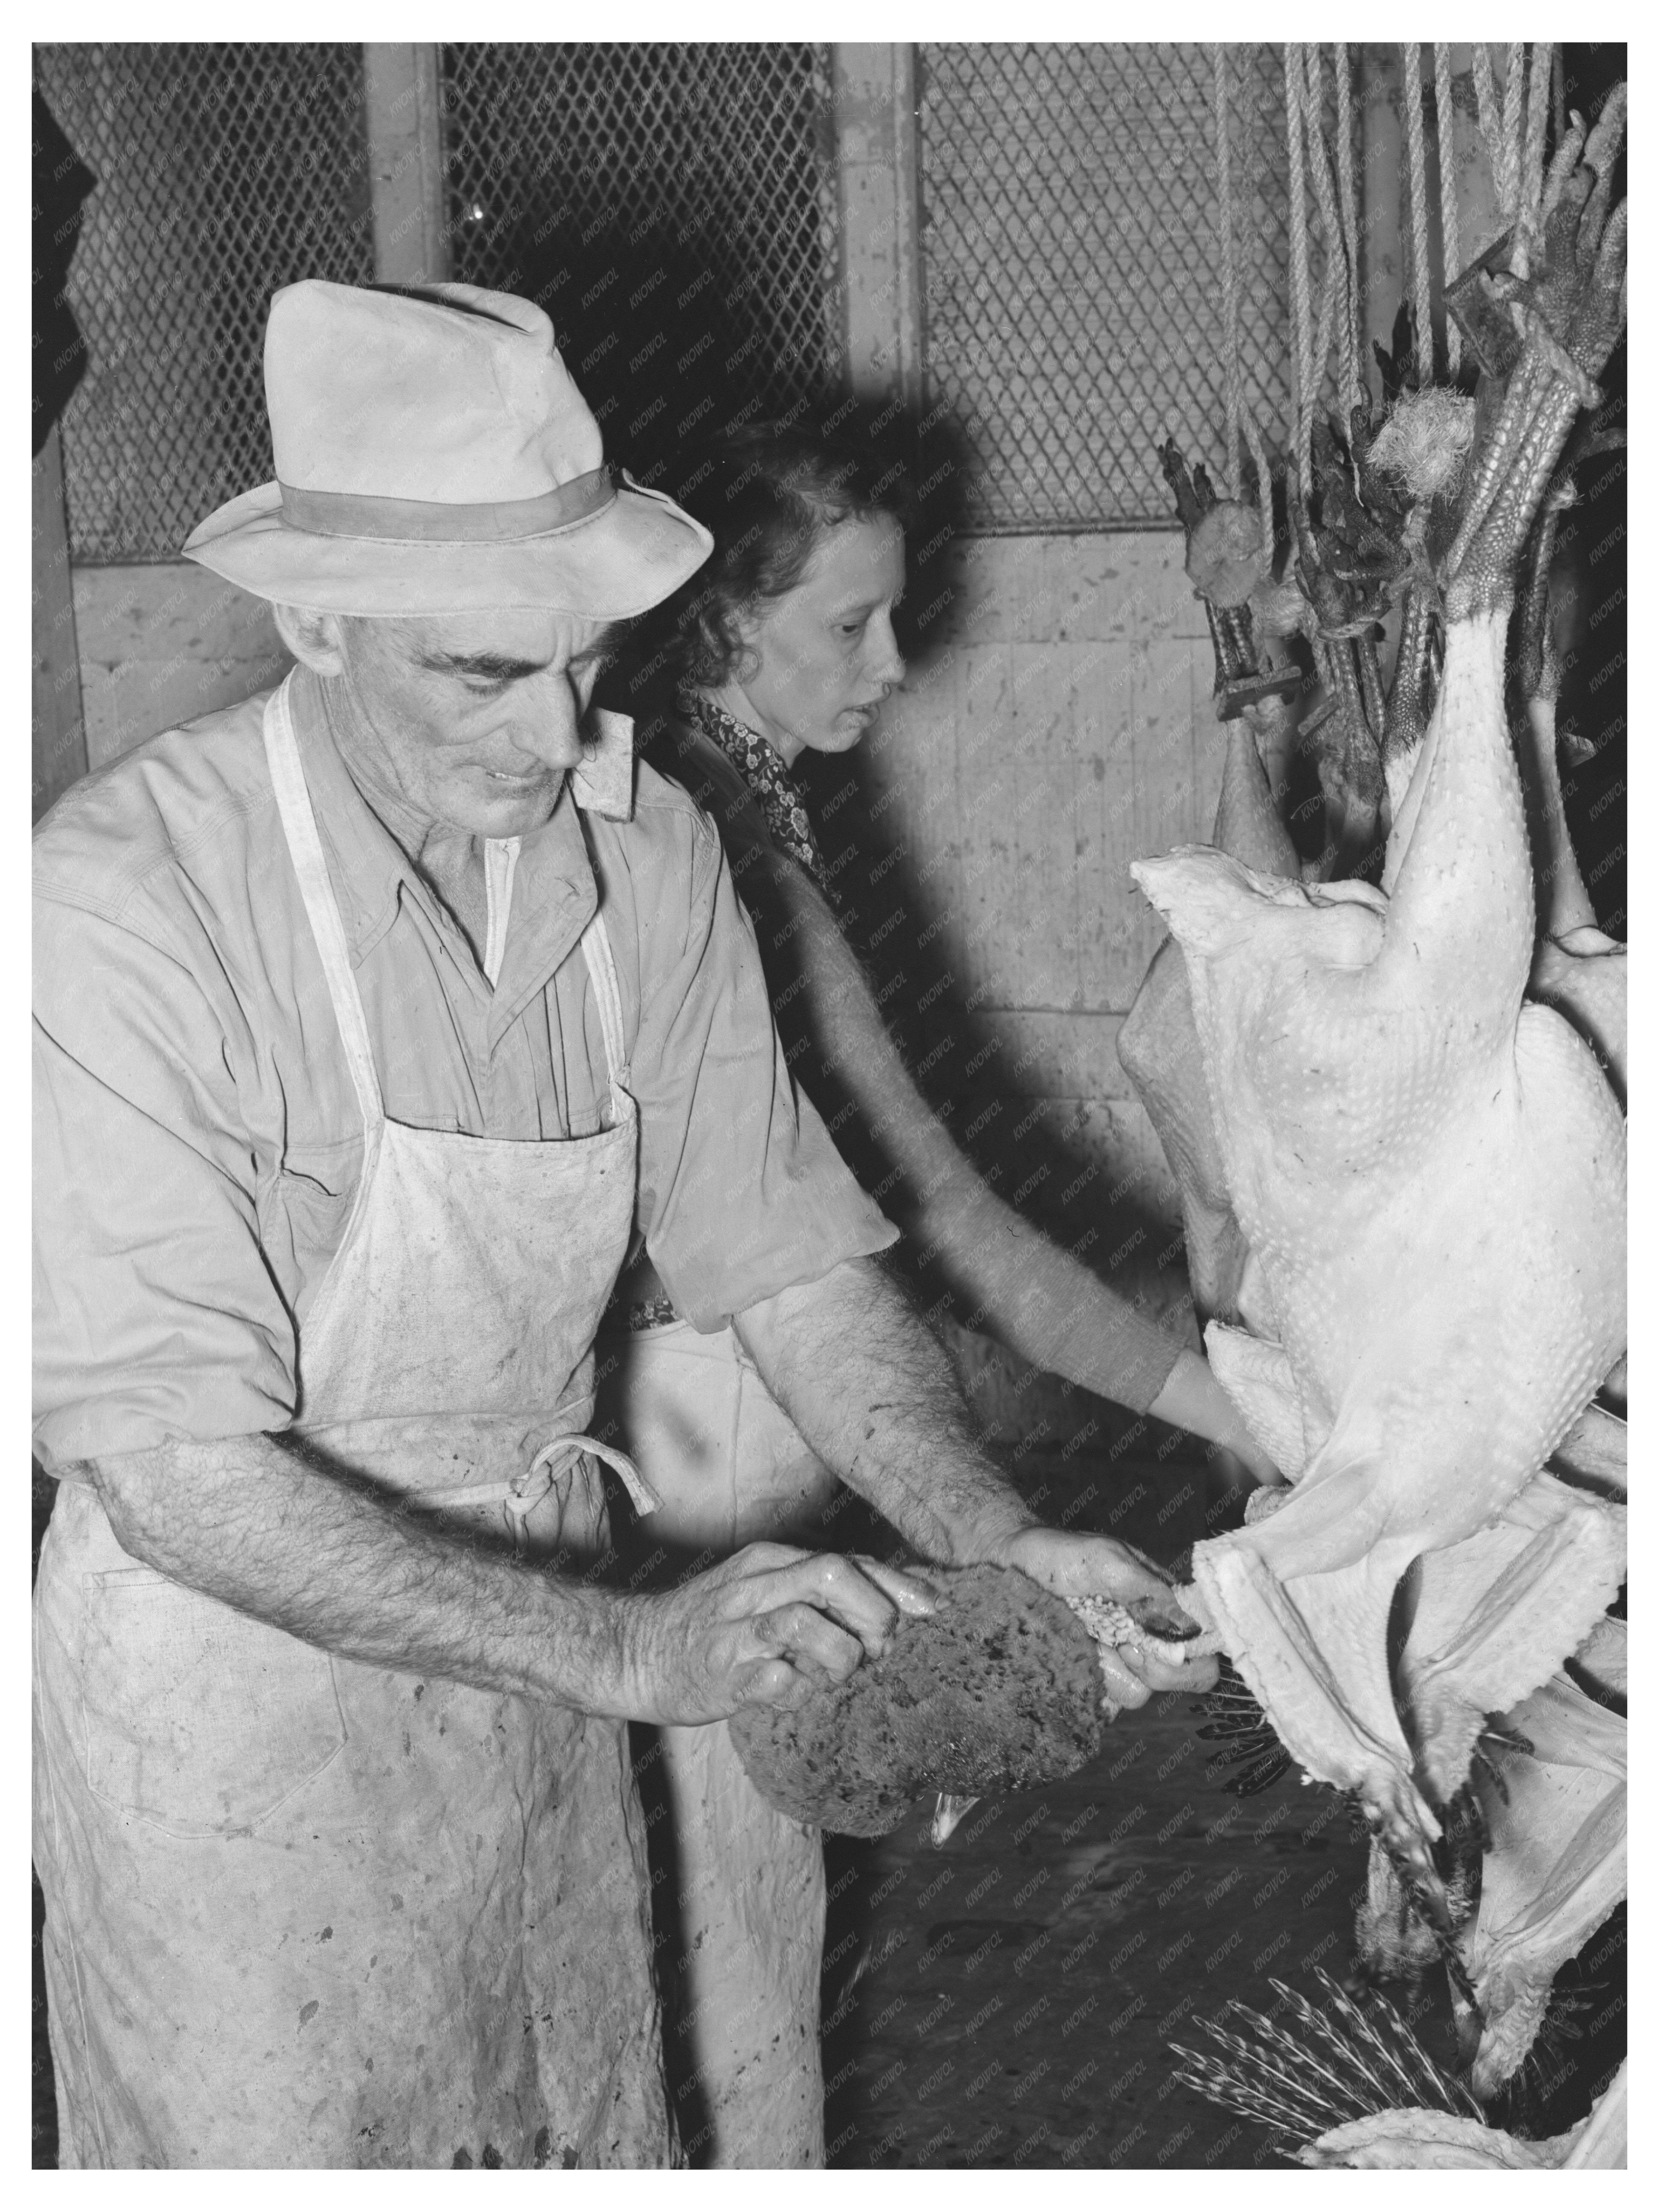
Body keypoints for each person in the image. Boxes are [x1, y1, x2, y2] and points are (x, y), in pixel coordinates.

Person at [31, 282, 1211, 2171]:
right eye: (474, 675)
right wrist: (635, 1662)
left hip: (532, 1689)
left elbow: (800, 1268)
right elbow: (172, 1471)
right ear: (314, 618)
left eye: (581, 662)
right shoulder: (121, 903)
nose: (549, 735)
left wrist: (994, 1537)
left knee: (571, 2133)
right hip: (225, 1740)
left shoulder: (647, 856)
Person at [592, 423, 1270, 2164]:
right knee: (727, 1981)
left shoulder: (745, 807)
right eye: (850, 628)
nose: (895, 667)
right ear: (726, 626)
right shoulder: (722, 864)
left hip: (723, 1426)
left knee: (720, 1959)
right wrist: (1252, 1410)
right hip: (696, 1445)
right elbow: (958, 1236)